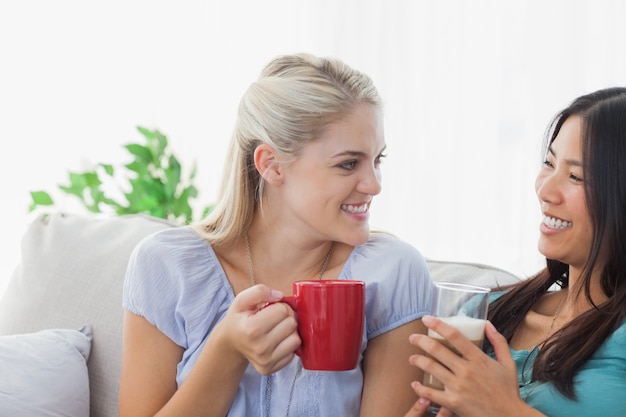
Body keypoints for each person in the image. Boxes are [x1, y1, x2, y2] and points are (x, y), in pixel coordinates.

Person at [119, 52, 433, 417]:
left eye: (377, 160)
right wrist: (227, 350)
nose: (374, 185)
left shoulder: (392, 272)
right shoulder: (167, 265)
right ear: (271, 165)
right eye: (349, 163)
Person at [404, 87, 626, 417]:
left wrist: (504, 410)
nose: (545, 189)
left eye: (576, 176)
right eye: (549, 163)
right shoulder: (487, 312)